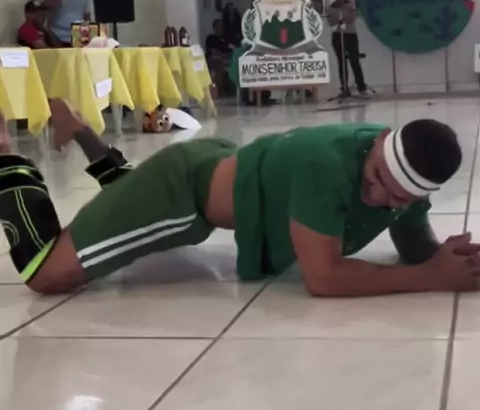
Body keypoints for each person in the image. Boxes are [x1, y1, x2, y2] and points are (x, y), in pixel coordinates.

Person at [1, 102, 479, 297]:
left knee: (128, 196)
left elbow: (415, 242)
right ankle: (6, 157)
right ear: (380, 141)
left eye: (396, 199)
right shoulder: (325, 165)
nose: (378, 197)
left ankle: (80, 130)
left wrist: (450, 259)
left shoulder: (403, 169)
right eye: (375, 180)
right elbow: (325, 278)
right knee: (46, 274)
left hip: (217, 164)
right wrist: (430, 277)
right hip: (180, 193)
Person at [327, 0, 368, 98]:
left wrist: (340, 18)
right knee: (342, 62)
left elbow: (351, 18)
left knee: (354, 61)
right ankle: (344, 88)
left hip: (350, 35)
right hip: (337, 35)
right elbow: (330, 22)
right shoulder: (331, 7)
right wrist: (342, 17)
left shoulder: (350, 4)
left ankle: (361, 87)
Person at [205, 19, 233, 97]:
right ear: (214, 28)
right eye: (218, 26)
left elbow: (232, 50)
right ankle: (219, 90)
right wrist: (224, 56)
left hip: (226, 60)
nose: (220, 29)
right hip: (213, 59)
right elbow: (213, 52)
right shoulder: (211, 38)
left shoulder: (226, 40)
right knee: (219, 63)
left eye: (221, 27)